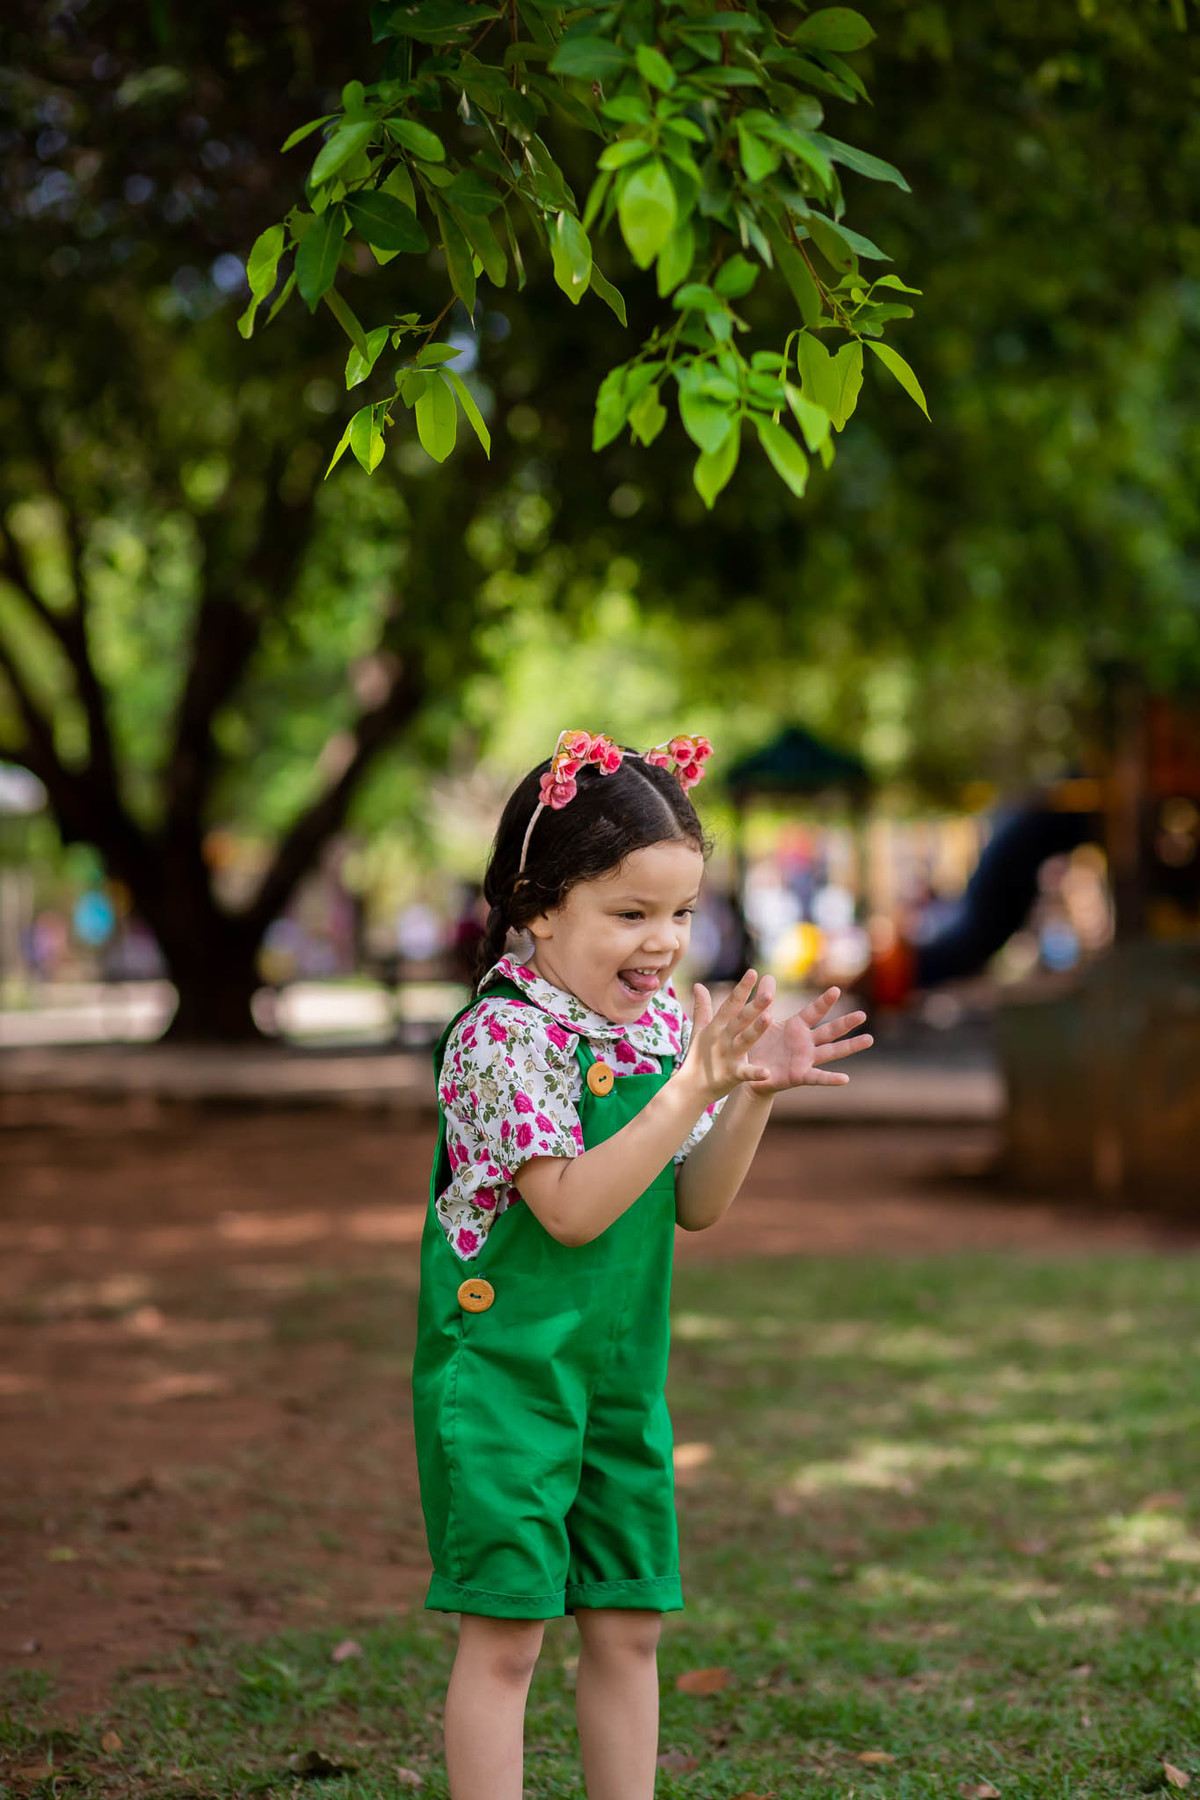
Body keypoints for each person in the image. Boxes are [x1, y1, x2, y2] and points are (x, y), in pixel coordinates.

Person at [411, 730, 873, 1800]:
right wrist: (692, 1087)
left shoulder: (662, 1028)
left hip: (619, 1381)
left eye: (680, 913)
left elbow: (695, 1205)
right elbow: (571, 1210)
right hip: (505, 1385)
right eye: (630, 914)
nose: (663, 943)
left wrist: (747, 1092)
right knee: (508, 1639)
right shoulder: (501, 1039)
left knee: (628, 1624)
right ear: (537, 907)